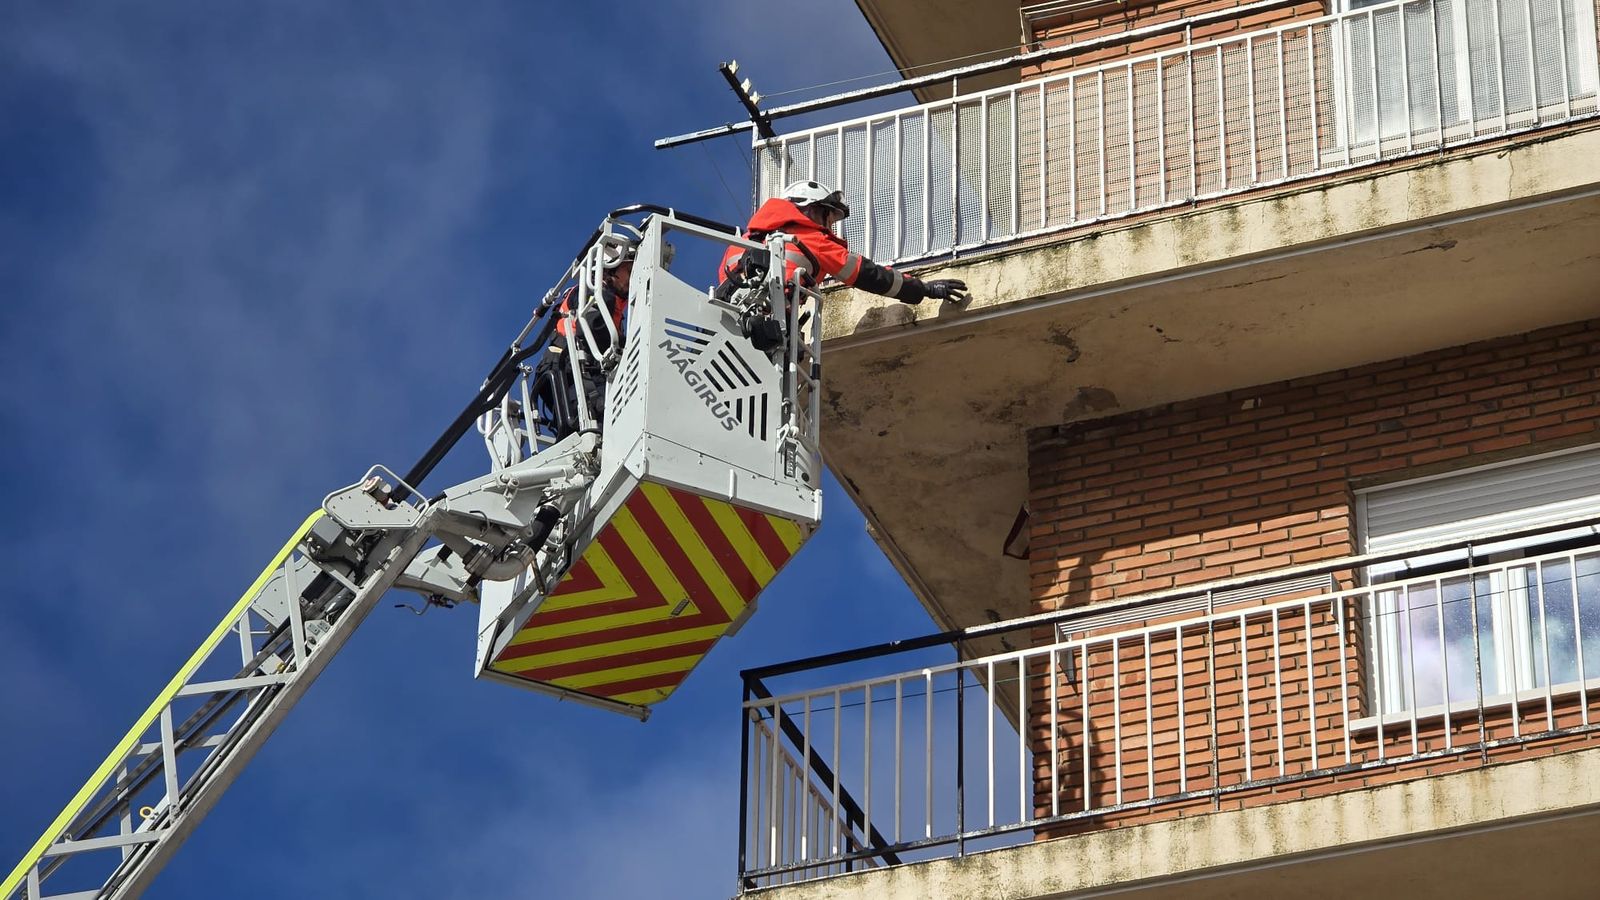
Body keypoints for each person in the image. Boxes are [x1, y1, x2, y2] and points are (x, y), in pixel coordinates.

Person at [718, 179, 968, 305]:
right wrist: (923, 289)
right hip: (768, 320)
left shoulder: (741, 241)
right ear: (810, 210)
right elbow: (868, 274)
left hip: (727, 319)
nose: (830, 225)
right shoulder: (810, 239)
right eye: (828, 215)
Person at [535, 240, 635, 439]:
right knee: (620, 417)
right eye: (629, 270)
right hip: (571, 374)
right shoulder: (595, 294)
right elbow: (593, 333)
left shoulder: (610, 305)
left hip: (572, 375)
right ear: (609, 270)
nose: (633, 277)